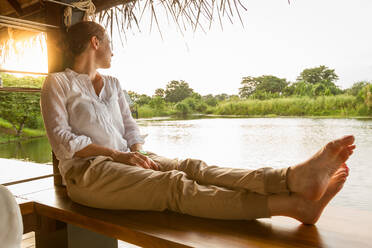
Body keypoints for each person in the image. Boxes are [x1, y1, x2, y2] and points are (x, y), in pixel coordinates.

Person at [40, 21, 356, 225]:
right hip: (89, 174)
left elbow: (130, 128)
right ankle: (291, 206)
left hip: (128, 159)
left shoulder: (114, 84)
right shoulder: (58, 84)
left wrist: (137, 153)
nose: (114, 49)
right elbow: (62, 141)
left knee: (192, 166)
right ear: (95, 42)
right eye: (109, 42)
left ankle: (291, 179)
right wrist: (121, 157)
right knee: (173, 184)